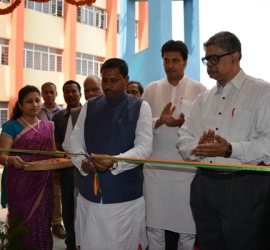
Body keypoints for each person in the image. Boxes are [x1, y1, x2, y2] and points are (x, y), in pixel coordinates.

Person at [177, 31, 270, 250]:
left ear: (234, 57)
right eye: (206, 59)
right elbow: (183, 136)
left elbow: (268, 143)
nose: (209, 64)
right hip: (203, 186)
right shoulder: (204, 99)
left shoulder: (261, 92)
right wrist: (198, 148)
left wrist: (229, 149)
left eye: (214, 58)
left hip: (243, 186)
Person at [70, 58, 153, 250]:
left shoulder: (141, 107)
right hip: (89, 197)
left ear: (126, 79)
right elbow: (75, 141)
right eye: (104, 80)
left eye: (113, 80)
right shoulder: (89, 107)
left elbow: (144, 148)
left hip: (124, 199)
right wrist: (81, 161)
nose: (108, 85)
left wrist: (114, 163)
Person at [142, 40, 207, 250]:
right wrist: (158, 121)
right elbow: (140, 125)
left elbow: (205, 127)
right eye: (166, 60)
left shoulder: (200, 90)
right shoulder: (151, 89)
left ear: (185, 62)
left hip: (185, 167)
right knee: (154, 225)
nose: (170, 65)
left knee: (187, 228)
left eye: (175, 61)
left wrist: (184, 124)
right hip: (156, 167)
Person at [0, 85, 55, 249]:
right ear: (21, 105)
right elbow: (2, 156)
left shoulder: (48, 126)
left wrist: (70, 155)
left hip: (44, 183)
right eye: (29, 101)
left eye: (37, 100)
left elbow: (53, 152)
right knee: (22, 222)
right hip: (20, 183)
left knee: (43, 221)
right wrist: (11, 160)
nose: (35, 104)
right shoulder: (11, 126)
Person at [62, 75, 103, 248]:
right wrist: (83, 159)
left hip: (113, 181)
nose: (91, 93)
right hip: (83, 177)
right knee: (84, 221)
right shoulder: (76, 113)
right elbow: (68, 145)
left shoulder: (116, 110)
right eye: (87, 90)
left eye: (95, 89)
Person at [52, 80, 82, 250]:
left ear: (80, 94)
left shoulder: (88, 112)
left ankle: (83, 240)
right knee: (68, 206)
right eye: (66, 92)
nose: (70, 94)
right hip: (66, 169)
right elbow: (57, 145)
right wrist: (57, 169)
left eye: (73, 91)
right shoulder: (58, 117)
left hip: (85, 168)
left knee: (83, 205)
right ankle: (71, 241)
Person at [38, 82, 66, 239]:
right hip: (39, 158)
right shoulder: (36, 111)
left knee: (56, 192)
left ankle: (56, 223)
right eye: (46, 92)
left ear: (56, 94)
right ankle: (41, 222)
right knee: (39, 191)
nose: (49, 95)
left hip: (56, 159)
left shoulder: (62, 113)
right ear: (42, 94)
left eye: (51, 92)